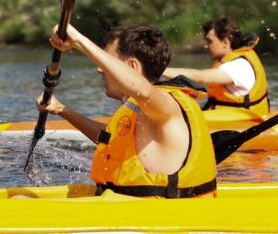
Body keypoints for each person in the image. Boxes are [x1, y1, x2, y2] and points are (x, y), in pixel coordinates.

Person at [36, 23, 217, 198]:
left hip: (161, 217)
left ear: (131, 68)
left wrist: (78, 41)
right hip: (122, 203)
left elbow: (144, 90)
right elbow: (108, 138)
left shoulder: (165, 105)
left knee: (21, 202)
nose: (100, 69)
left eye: (106, 62)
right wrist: (62, 109)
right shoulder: (139, 108)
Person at [161, 16, 269, 115]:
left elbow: (200, 77)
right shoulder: (231, 62)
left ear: (225, 43)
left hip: (244, 122)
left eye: (209, 41)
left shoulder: (239, 66)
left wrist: (159, 70)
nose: (206, 46)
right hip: (228, 118)